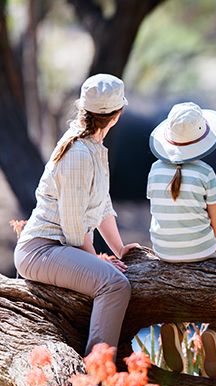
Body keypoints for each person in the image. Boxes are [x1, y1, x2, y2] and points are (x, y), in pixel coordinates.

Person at [14, 74, 139, 357]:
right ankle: (96, 374)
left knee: (114, 276)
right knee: (114, 285)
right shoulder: (79, 152)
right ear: (117, 115)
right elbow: (74, 225)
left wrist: (119, 249)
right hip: (40, 250)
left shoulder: (93, 147)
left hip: (58, 249)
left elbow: (101, 203)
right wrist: (94, 257)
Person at [147, 102, 216, 377]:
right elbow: (215, 219)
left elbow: (157, 210)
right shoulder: (205, 172)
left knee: (180, 287)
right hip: (201, 249)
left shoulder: (154, 169)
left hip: (163, 250)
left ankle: (177, 325)